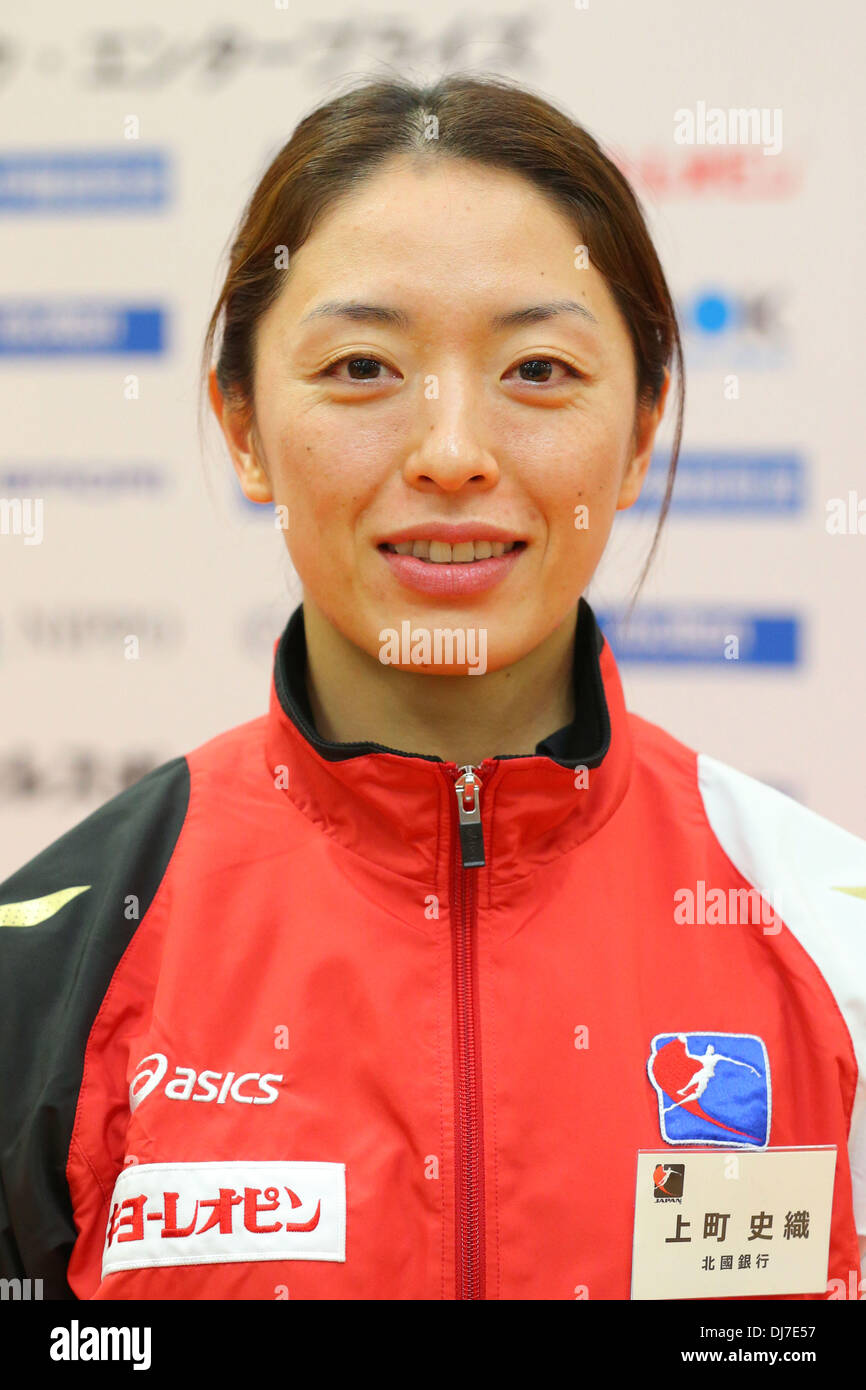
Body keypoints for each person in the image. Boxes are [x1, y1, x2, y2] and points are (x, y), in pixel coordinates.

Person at [1, 73, 864, 1302]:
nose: (452, 453)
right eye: (361, 366)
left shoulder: (832, 946)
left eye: (537, 370)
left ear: (639, 431)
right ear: (241, 424)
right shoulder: (53, 969)